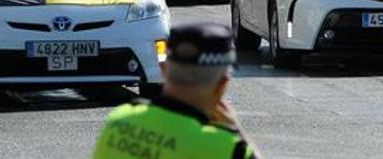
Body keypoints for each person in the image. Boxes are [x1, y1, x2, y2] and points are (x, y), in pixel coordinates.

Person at [92, 22, 260, 159]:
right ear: (222, 84)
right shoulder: (226, 148)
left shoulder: (119, 121)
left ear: (163, 68)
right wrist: (238, 130)